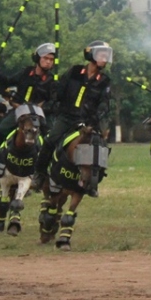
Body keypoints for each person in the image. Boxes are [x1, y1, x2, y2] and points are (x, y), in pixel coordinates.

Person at [34, 41, 114, 193]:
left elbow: (104, 104)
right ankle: (39, 174)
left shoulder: (105, 81)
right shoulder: (74, 71)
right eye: (102, 55)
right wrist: (55, 93)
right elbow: (59, 92)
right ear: (91, 55)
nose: (105, 58)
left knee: (100, 146)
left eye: (107, 55)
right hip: (66, 117)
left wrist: (95, 119)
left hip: (88, 121)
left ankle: (94, 182)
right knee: (50, 141)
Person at [0, 42, 56, 197]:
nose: (49, 61)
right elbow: (7, 81)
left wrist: (42, 108)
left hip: (38, 115)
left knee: (50, 140)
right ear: (37, 58)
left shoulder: (52, 80)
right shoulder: (26, 72)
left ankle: (43, 173)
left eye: (51, 59)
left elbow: (53, 101)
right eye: (46, 58)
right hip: (19, 112)